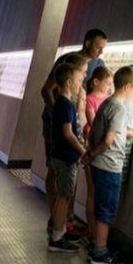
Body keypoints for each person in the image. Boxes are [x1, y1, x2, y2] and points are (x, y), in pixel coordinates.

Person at [39, 29, 108, 237]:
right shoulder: (67, 61)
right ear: (87, 43)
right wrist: (60, 116)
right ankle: (56, 220)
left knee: (71, 170)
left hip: (76, 123)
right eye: (98, 47)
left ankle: (66, 218)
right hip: (61, 121)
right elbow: (46, 90)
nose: (101, 52)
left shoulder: (98, 65)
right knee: (55, 168)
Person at [83, 65, 133, 264]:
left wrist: (91, 152)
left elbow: (95, 131)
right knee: (106, 209)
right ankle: (100, 252)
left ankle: (95, 243)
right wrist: (95, 151)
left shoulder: (107, 103)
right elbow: (110, 139)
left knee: (99, 204)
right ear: (127, 87)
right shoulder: (119, 109)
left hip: (98, 164)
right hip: (109, 165)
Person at [47, 62, 89, 253]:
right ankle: (57, 237)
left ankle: (59, 231)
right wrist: (82, 151)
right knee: (64, 197)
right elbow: (67, 133)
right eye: (80, 80)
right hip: (65, 158)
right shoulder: (65, 105)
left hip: (61, 156)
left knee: (62, 196)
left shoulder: (64, 103)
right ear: (69, 82)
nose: (82, 83)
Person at [83, 66, 113, 239]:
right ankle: (91, 229)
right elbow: (92, 122)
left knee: (98, 193)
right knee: (92, 191)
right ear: (96, 82)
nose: (110, 87)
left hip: (102, 148)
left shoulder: (109, 100)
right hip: (92, 144)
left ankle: (97, 231)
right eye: (107, 83)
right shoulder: (90, 99)